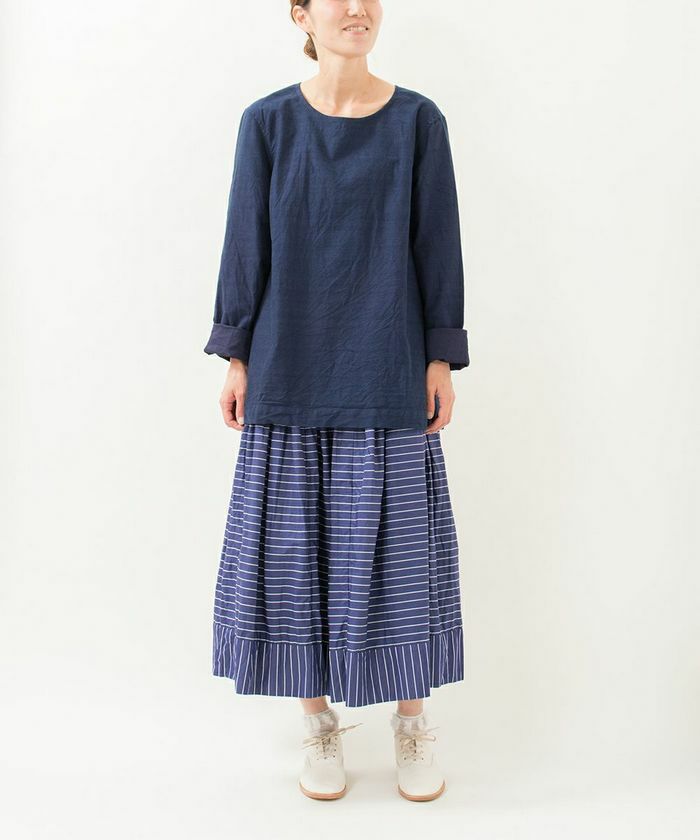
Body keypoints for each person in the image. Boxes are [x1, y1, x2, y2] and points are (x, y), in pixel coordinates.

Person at [203, 0, 470, 802]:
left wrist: (441, 353)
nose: (358, 8)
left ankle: (412, 721)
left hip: (387, 364)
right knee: (295, 559)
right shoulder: (267, 124)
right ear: (301, 14)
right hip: (288, 365)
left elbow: (437, 242)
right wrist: (236, 353)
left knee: (401, 561)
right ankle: (317, 721)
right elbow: (245, 240)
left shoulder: (418, 122)